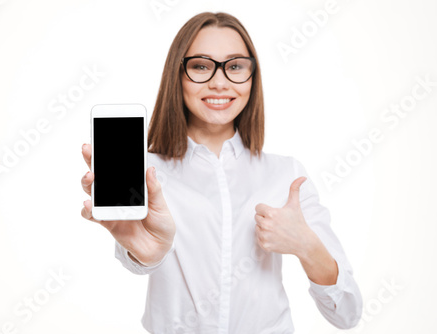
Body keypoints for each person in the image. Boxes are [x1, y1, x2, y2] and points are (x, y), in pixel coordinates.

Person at [81, 11, 363, 334]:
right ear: (179, 75)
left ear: (252, 78)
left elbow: (348, 313)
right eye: (201, 66)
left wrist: (306, 244)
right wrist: (145, 253)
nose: (219, 81)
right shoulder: (147, 172)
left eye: (235, 66)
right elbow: (140, 255)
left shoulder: (286, 175)